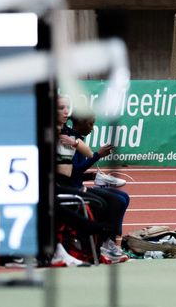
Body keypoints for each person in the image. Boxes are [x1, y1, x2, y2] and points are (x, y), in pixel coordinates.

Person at [56, 97, 130, 263]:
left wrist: (93, 175)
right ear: (80, 123)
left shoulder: (72, 137)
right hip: (71, 188)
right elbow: (73, 171)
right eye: (90, 124)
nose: (92, 128)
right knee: (115, 201)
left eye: (67, 107)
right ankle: (105, 243)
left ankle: (111, 242)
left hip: (74, 185)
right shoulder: (65, 138)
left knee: (123, 197)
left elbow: (76, 166)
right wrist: (96, 155)